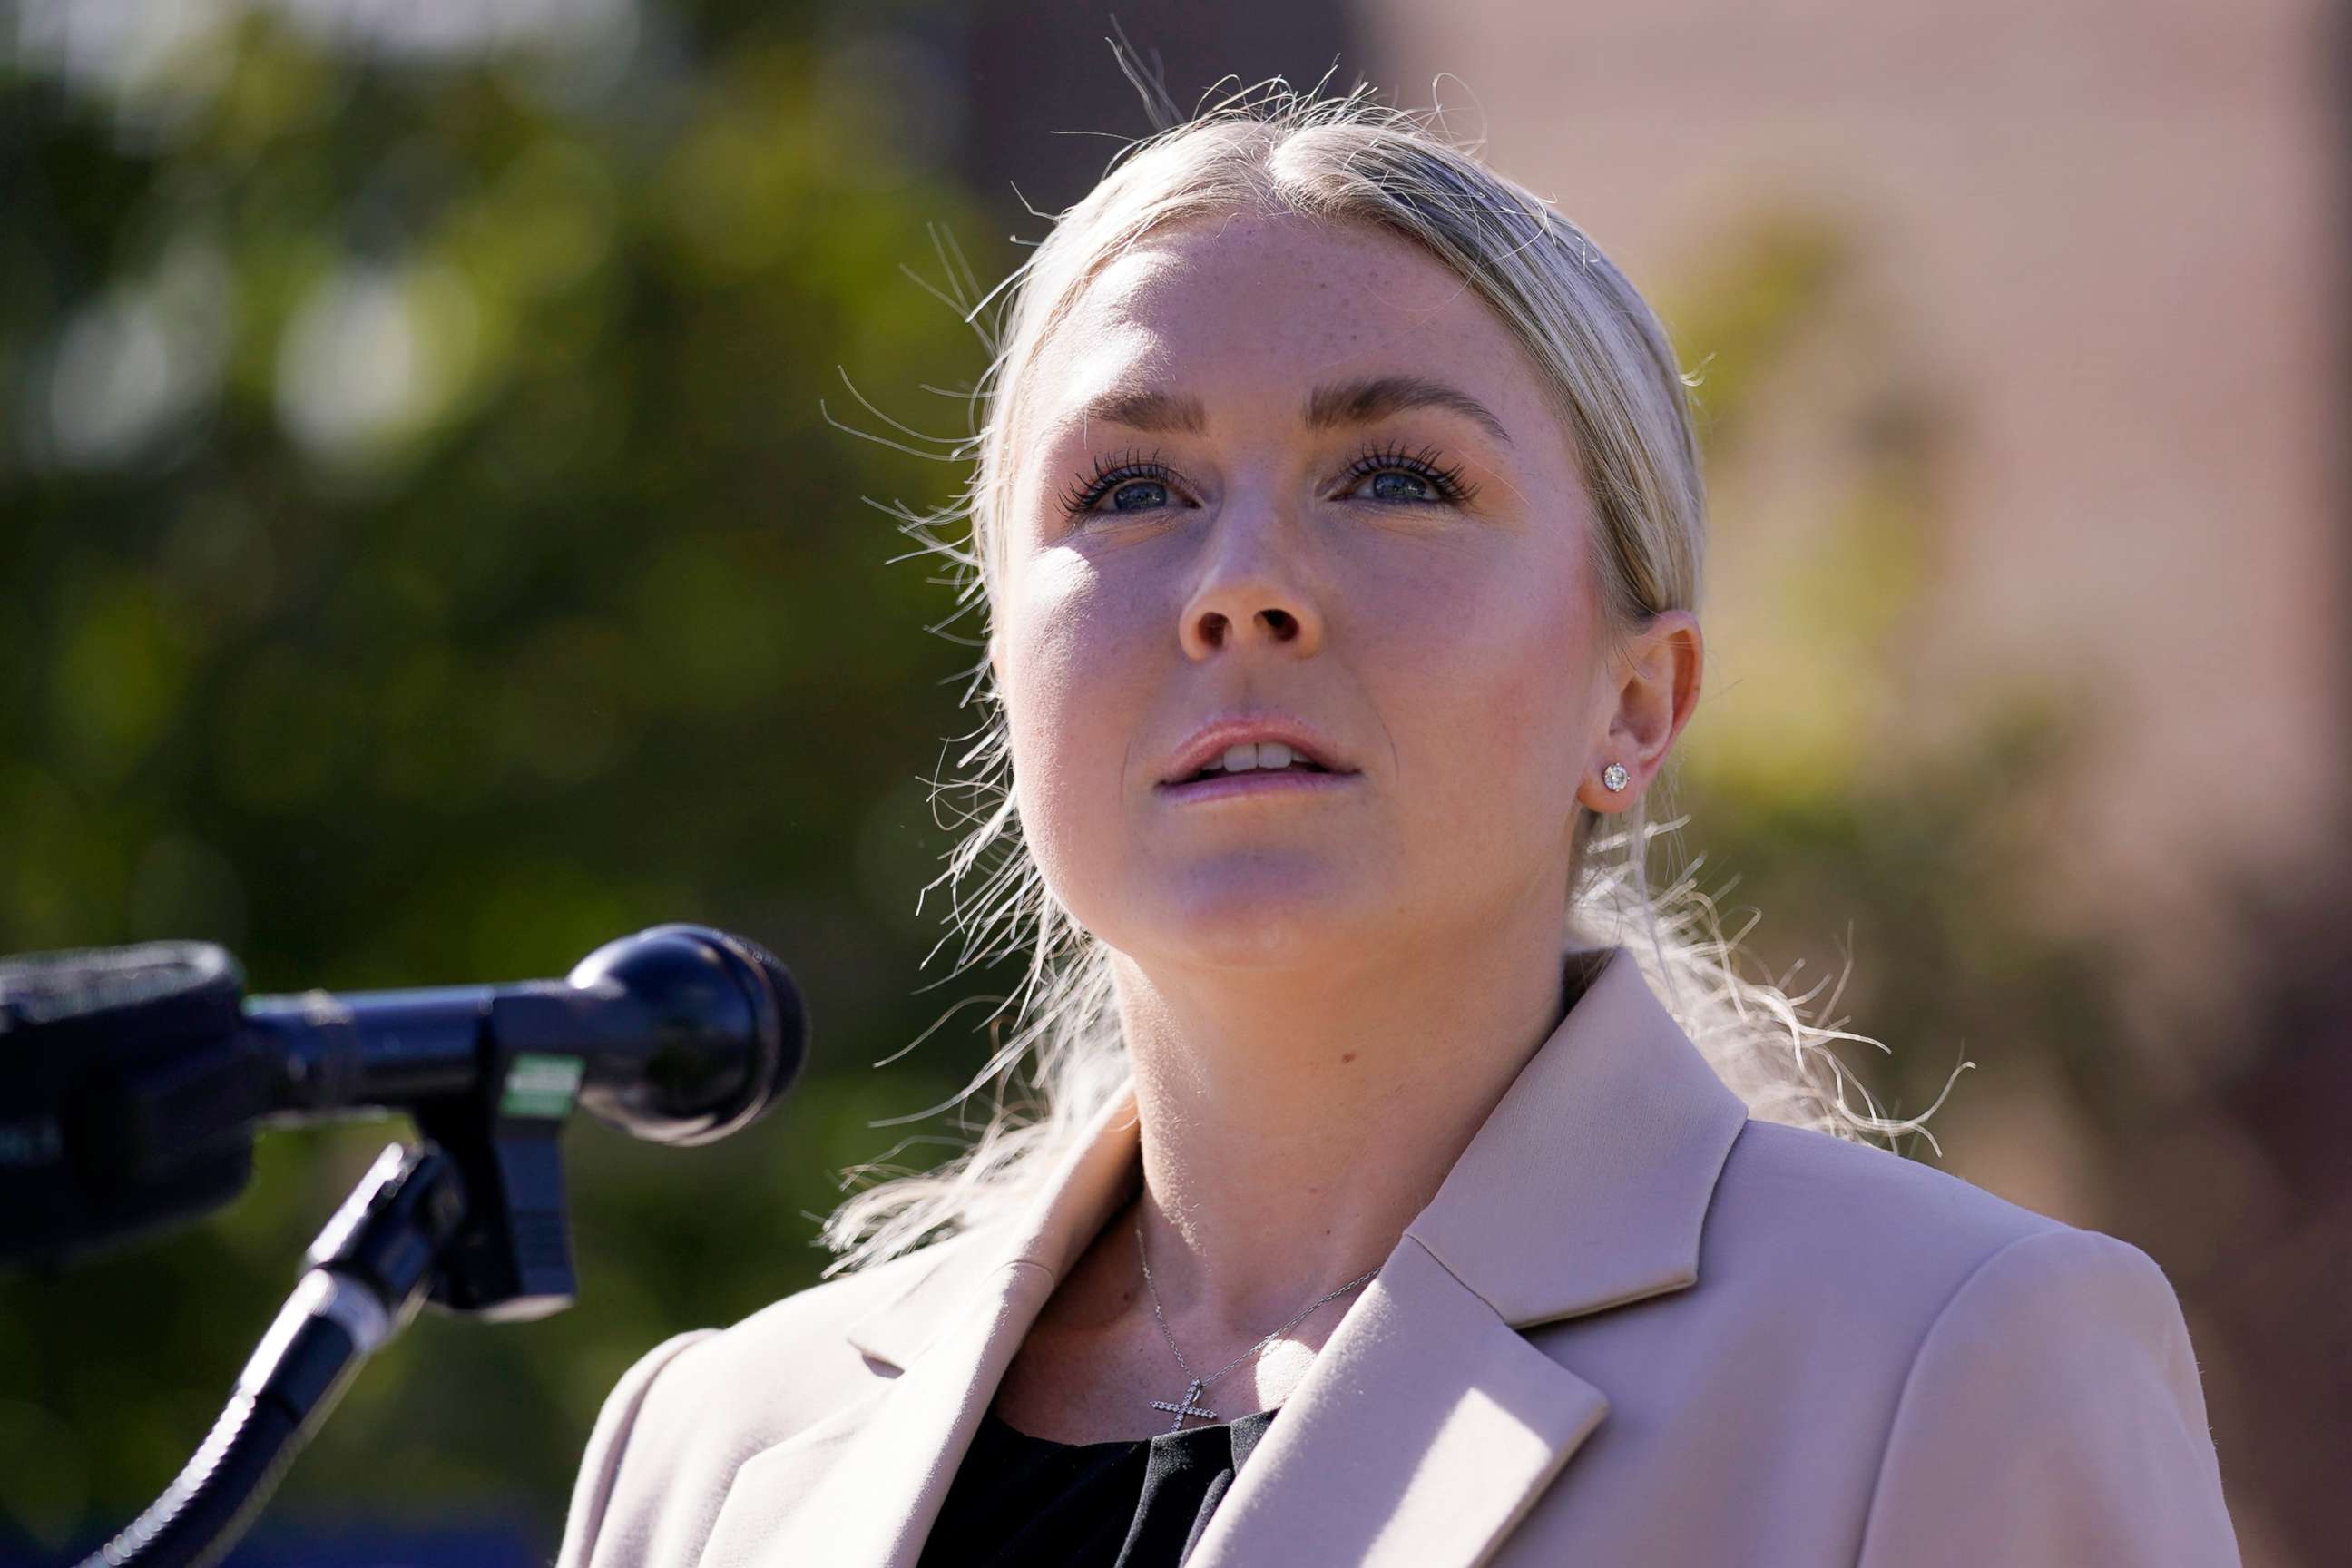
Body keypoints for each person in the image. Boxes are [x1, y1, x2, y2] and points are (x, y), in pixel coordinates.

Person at [554, 68, 2243, 1568]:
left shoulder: (1944, 1362)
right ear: (1007, 671)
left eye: (1398, 478)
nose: (1245, 589)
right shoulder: (714, 1455)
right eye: (1130, 490)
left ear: (1636, 701)